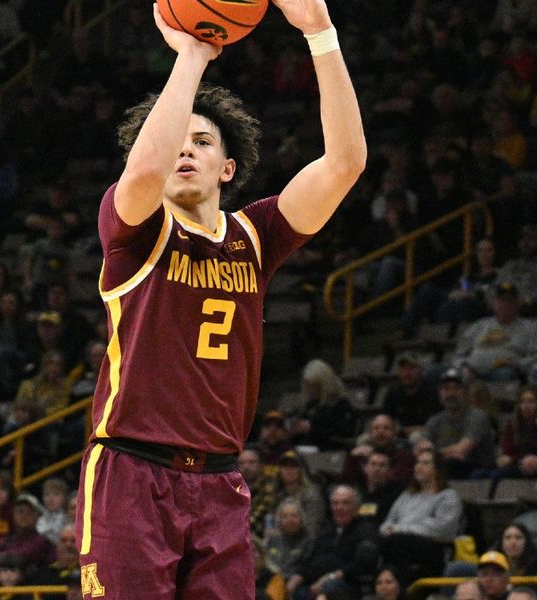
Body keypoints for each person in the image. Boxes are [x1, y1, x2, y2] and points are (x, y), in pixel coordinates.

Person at [75, 1, 366, 596]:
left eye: (202, 141)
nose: (185, 150)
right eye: (175, 139)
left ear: (228, 167)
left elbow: (345, 163)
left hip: (220, 483)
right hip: (132, 473)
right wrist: (192, 55)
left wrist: (320, 31)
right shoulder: (134, 228)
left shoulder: (256, 237)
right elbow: (141, 175)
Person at [379, 449, 464, 583]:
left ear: (437, 469)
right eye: (418, 462)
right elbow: (389, 520)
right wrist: (386, 530)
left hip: (433, 548)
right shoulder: (407, 494)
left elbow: (441, 530)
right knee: (374, 543)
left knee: (398, 541)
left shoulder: (448, 496)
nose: (419, 466)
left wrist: (400, 529)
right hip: (398, 542)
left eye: (425, 463)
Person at [286, 485, 379, 599]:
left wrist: (331, 577)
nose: (339, 508)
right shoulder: (326, 529)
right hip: (314, 583)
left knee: (330, 588)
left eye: (345, 503)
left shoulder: (365, 529)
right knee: (293, 587)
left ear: (356, 507)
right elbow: (309, 557)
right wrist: (298, 575)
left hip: (346, 584)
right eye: (335, 503)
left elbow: (364, 563)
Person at [452, 281, 537, 381]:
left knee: (506, 374)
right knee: (440, 372)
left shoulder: (529, 327)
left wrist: (518, 365)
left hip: (501, 372)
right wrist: (463, 367)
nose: (506, 304)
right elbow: (459, 353)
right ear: (493, 303)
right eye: (502, 300)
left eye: (510, 300)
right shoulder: (480, 324)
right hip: (470, 370)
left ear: (517, 303)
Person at [420, 368, 496, 478]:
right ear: (439, 393)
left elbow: (462, 450)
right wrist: (437, 453)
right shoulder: (434, 421)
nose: (451, 393)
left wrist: (433, 452)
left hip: (476, 474)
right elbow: (422, 451)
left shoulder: (477, 416)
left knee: (451, 464)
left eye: (456, 388)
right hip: (444, 469)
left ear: (465, 392)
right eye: (446, 389)